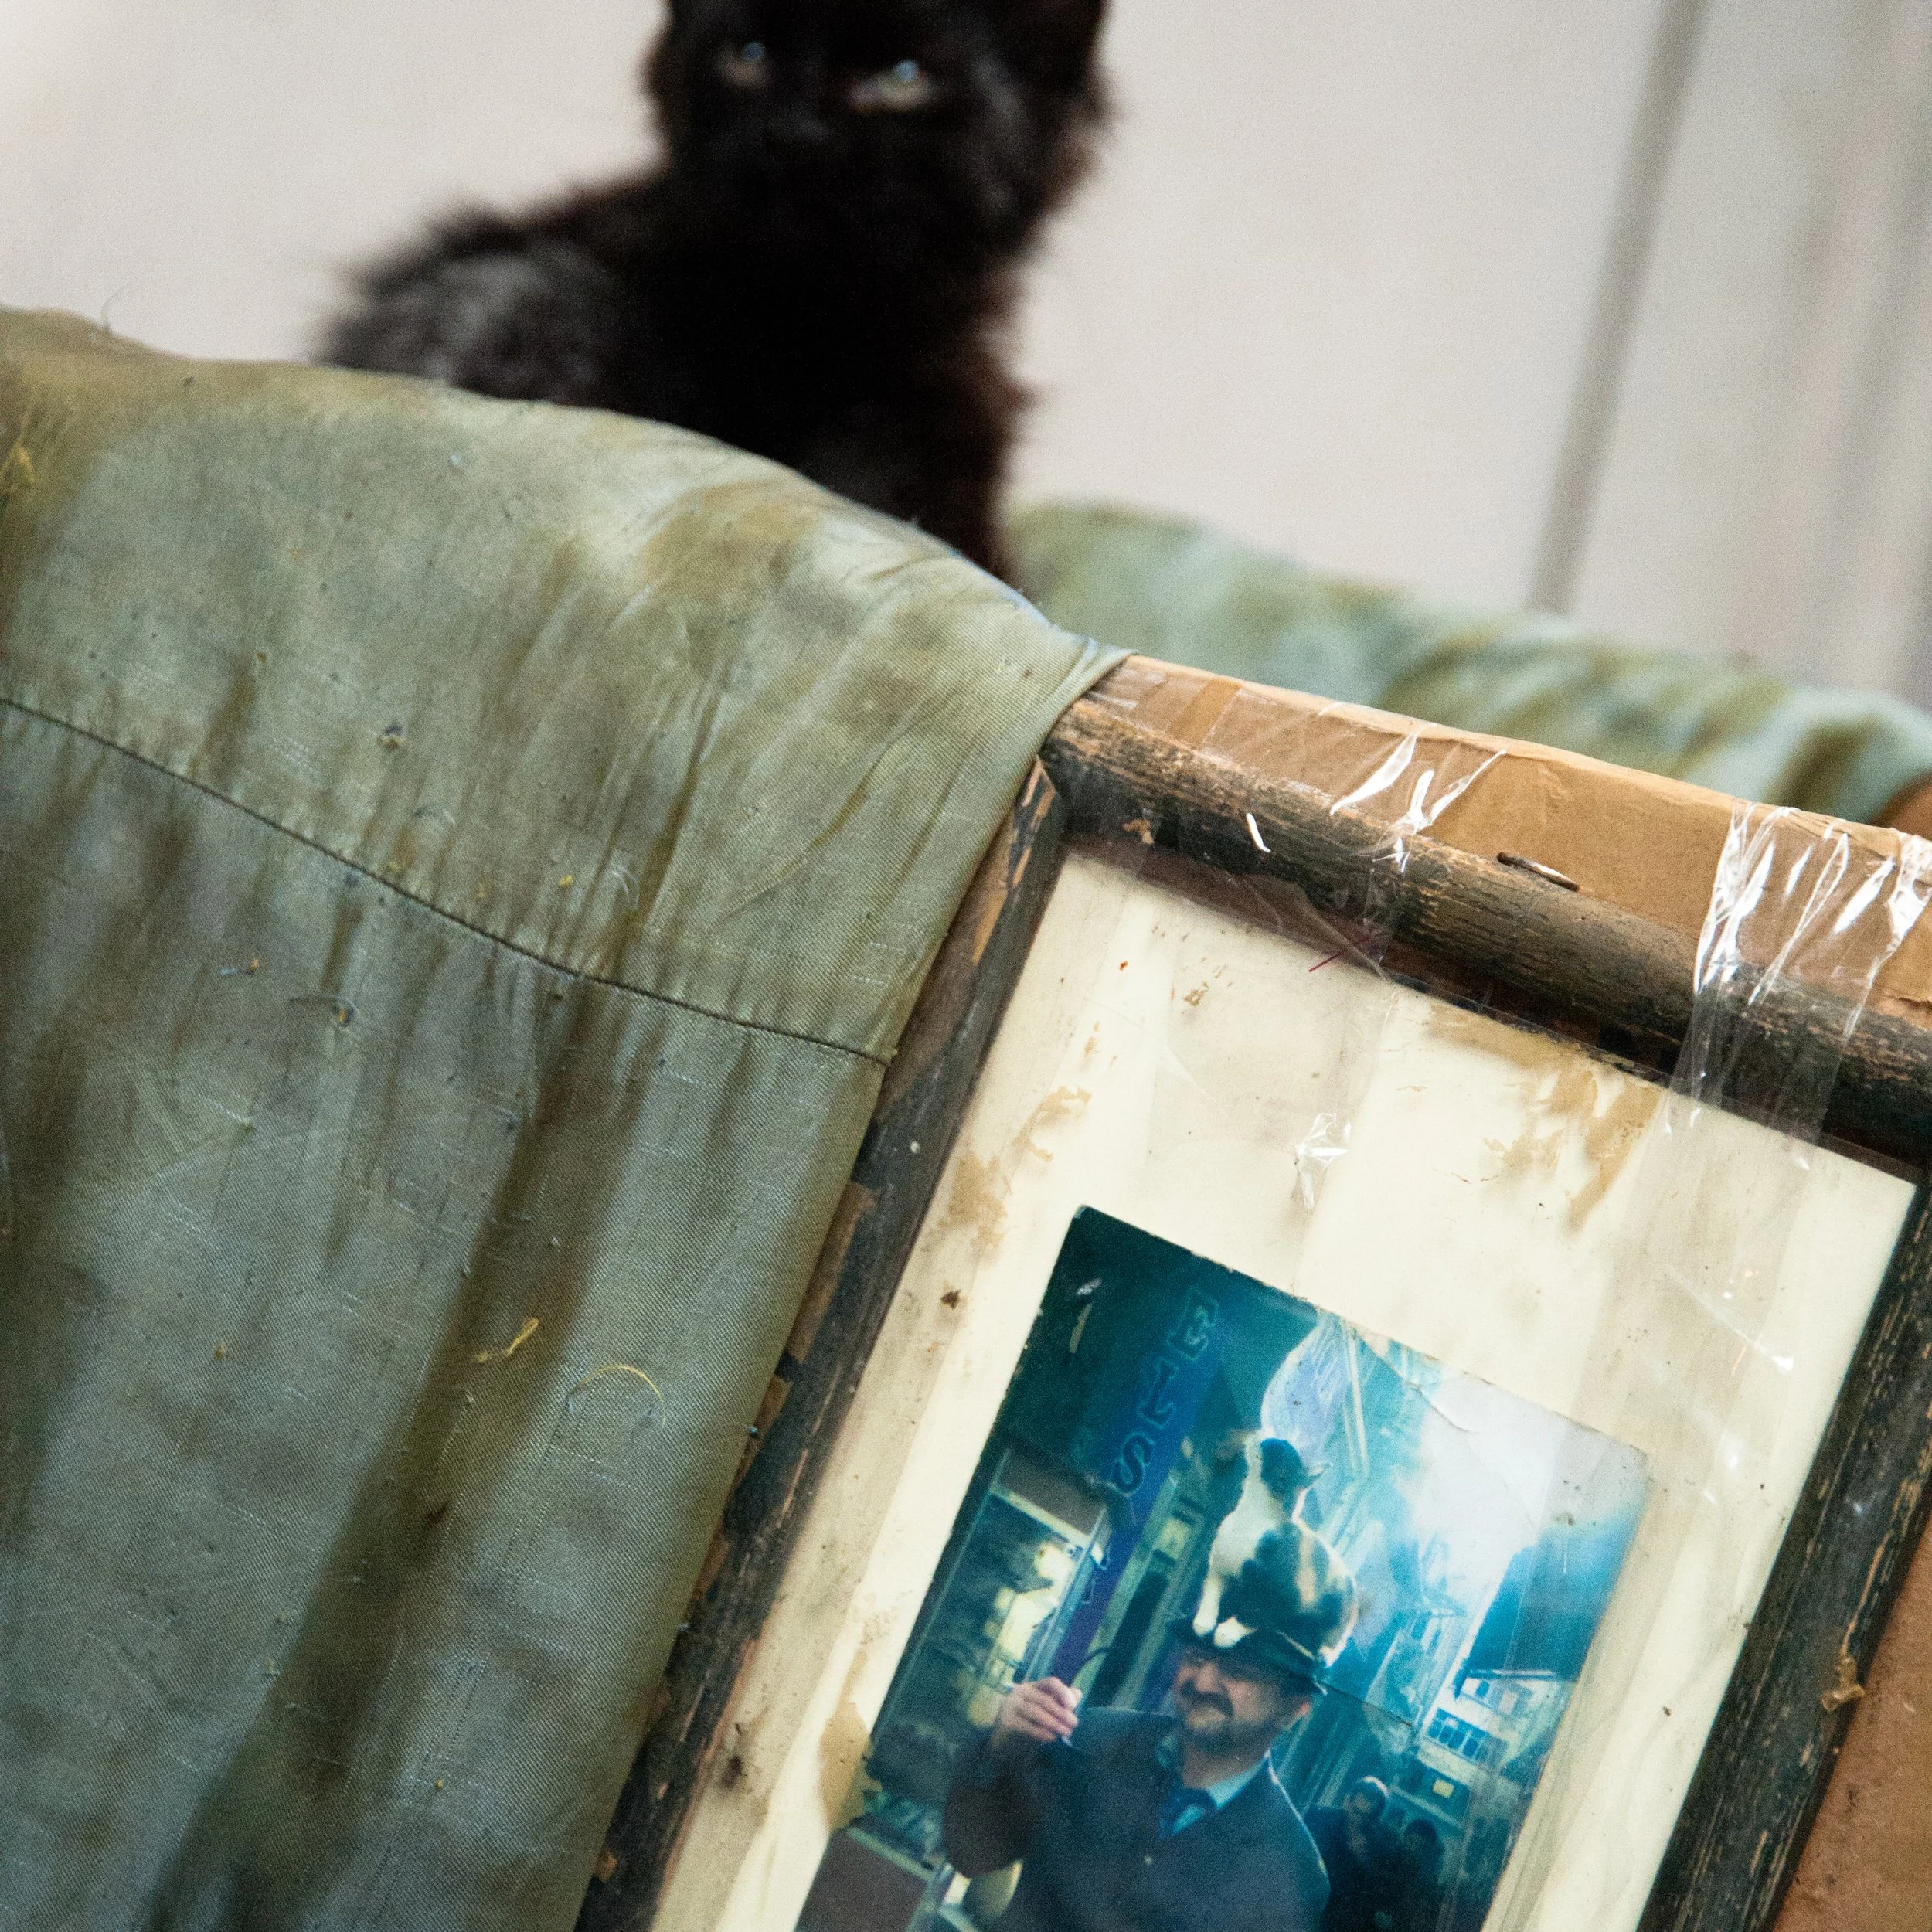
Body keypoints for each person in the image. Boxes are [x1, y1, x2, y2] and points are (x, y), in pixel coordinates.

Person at [941, 1628, 1331, 1931]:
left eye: (1239, 1671)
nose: (1202, 1682)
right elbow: (971, 1855)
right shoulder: (1095, 1736)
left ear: (1293, 1710)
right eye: (1196, 1656)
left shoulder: (1291, 1871)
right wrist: (1001, 1747)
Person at [1305, 1777, 1398, 1932]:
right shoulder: (1318, 1818)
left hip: (1332, 1920)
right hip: (1299, 1896)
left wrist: (1363, 1860)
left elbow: (1372, 1898)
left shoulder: (1377, 1849)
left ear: (1375, 1819)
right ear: (1347, 1801)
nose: (1358, 1820)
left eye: (1367, 1817)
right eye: (1356, 1812)